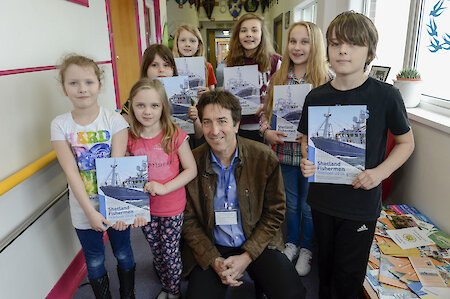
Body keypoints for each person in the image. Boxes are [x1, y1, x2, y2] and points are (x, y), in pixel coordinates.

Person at [298, 11, 415, 298]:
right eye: (336, 44)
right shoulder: (316, 96)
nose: (343, 50)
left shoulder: (387, 95)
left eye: (353, 44)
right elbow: (305, 139)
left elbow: (406, 143)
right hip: (322, 200)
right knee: (323, 271)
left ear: (370, 51)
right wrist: (307, 159)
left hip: (360, 203)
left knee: (349, 277)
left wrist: (379, 173)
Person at [182, 90, 305, 299]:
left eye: (222, 121)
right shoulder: (191, 162)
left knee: (293, 294)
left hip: (257, 240)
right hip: (213, 244)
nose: (214, 130)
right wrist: (213, 260)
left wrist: (247, 256)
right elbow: (188, 220)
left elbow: (275, 212)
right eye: (207, 122)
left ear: (236, 124)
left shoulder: (263, 157)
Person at [51, 54, 144, 299]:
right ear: (64, 88)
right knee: (94, 259)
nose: (82, 89)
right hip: (83, 206)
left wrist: (121, 210)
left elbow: (118, 167)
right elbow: (71, 172)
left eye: (89, 82)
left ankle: (129, 294)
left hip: (114, 203)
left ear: (99, 85)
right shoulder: (60, 125)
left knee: (123, 252)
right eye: (74, 83)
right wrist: (90, 212)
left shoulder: (114, 121)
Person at [261, 21, 333, 276]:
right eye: (293, 41)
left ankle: (307, 248)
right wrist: (266, 131)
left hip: (312, 158)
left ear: (315, 45)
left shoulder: (326, 79)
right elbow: (265, 114)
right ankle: (291, 242)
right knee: (290, 204)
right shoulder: (279, 77)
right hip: (284, 155)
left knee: (308, 207)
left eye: (304, 42)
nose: (297, 47)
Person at [126, 78, 197, 299]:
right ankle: (166, 283)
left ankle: (172, 291)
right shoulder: (129, 137)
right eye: (140, 105)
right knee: (155, 251)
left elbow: (191, 169)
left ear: (163, 107)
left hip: (171, 206)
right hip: (144, 209)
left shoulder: (174, 134)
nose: (147, 111)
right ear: (131, 106)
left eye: (154, 106)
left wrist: (165, 187)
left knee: (169, 251)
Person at [226, 13, 282, 142]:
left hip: (267, 127)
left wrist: (268, 105)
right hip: (239, 126)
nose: (249, 34)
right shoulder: (231, 62)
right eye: (244, 30)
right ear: (237, 35)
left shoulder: (276, 62)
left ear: (262, 34)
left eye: (254, 30)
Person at [172, 24, 217, 143]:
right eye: (183, 40)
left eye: (192, 40)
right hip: (177, 120)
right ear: (176, 44)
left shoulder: (207, 67)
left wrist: (208, 94)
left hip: (201, 118)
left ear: (198, 45)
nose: (187, 44)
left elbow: (214, 96)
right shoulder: (171, 67)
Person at [121, 44, 178, 116]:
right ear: (146, 69)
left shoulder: (182, 95)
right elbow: (124, 120)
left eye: (166, 65)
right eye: (154, 65)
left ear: (173, 69)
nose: (161, 70)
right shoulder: (137, 96)